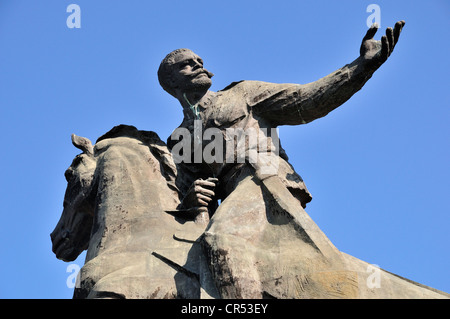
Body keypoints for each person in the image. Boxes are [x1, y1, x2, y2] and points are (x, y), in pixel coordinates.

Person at [159, 22, 405, 298]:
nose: (198, 65)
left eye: (199, 61)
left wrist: (361, 67)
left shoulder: (241, 94)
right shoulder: (179, 138)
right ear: (171, 83)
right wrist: (192, 199)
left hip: (264, 179)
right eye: (186, 65)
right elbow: (183, 194)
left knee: (222, 240)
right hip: (232, 198)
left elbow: (305, 100)